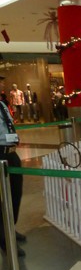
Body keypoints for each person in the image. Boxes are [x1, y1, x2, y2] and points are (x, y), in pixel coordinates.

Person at [0, 76, 26, 256]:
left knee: (15, 192)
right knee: (2, 196)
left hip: (11, 153)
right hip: (0, 154)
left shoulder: (2, 104)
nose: (2, 84)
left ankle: (11, 227)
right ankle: (4, 239)